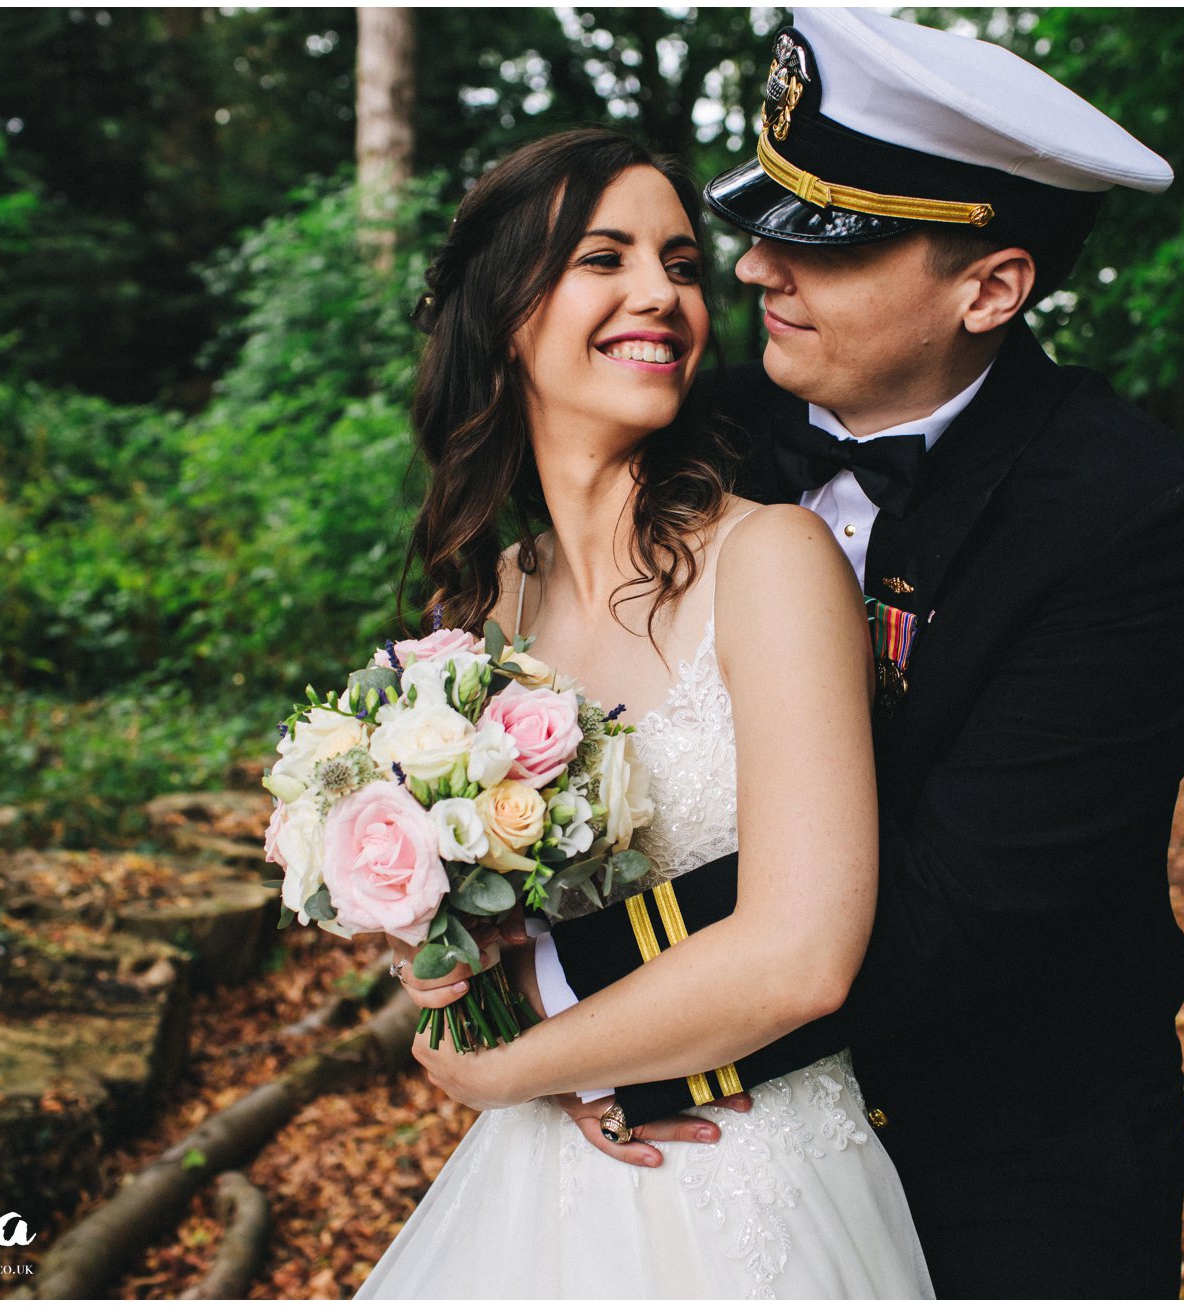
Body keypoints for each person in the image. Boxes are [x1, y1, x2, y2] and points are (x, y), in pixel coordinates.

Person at [403, 10, 1184, 1299]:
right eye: (761, 227)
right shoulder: (708, 428)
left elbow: (961, 902)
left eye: (826, 241)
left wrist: (570, 1018)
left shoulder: (1132, 515)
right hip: (690, 1160)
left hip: (1010, 1147)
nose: (747, 274)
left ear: (991, 288)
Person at [353, 127, 934, 1298]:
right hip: (535, 1187)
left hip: (754, 1174)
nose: (659, 295)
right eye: (603, 258)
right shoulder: (479, 607)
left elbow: (803, 953)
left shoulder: (771, 559)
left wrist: (508, 1070)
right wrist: (434, 938)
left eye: (678, 262)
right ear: (503, 311)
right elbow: (483, 920)